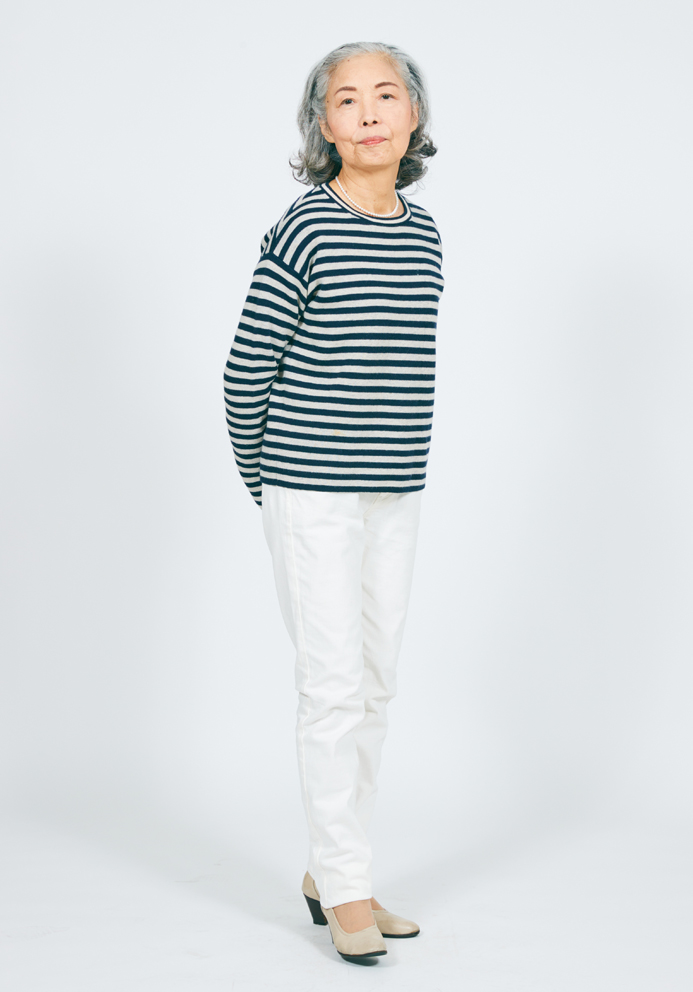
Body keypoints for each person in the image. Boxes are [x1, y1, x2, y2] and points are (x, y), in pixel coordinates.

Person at [223, 40, 444, 963]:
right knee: (331, 689)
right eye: (345, 100)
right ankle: (347, 886)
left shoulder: (423, 234)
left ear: (413, 117)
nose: (368, 112)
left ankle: (333, 866)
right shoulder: (305, 228)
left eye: (386, 95)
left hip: (393, 493)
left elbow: (405, 368)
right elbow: (246, 371)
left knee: (375, 683)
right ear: (322, 124)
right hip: (310, 489)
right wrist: (268, 484)